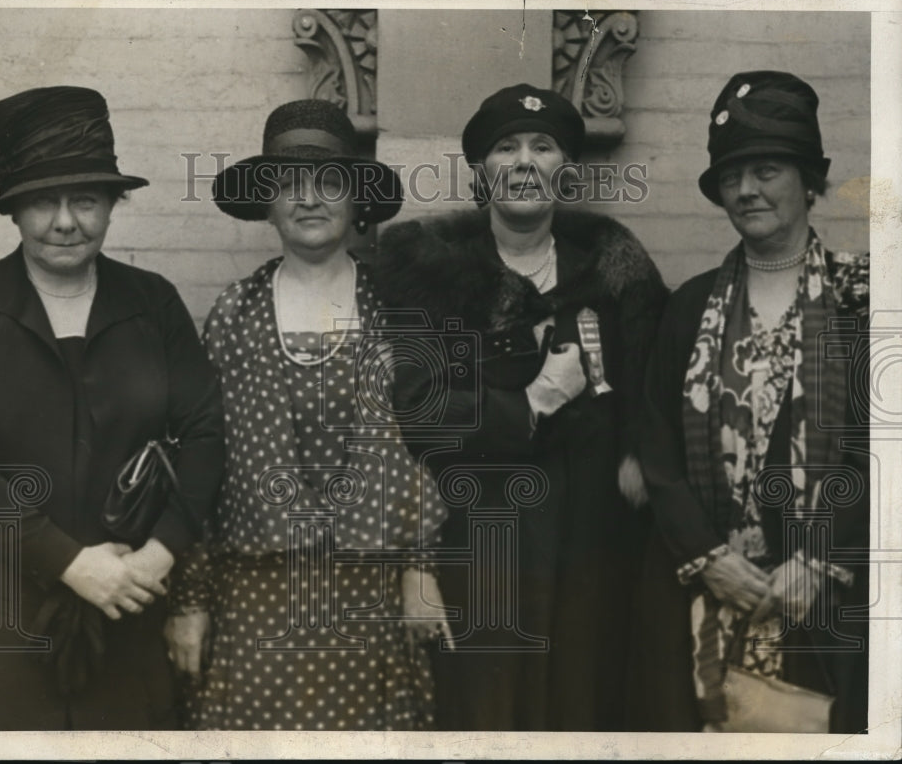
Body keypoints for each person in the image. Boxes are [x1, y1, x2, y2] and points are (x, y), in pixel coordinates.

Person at [371, 84, 669, 731]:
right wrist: (532, 400)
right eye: (505, 148)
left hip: (590, 550)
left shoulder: (618, 277)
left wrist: (638, 452)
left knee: (581, 709)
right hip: (481, 545)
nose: (525, 162)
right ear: (481, 169)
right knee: (485, 713)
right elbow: (417, 412)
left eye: (543, 146)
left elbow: (656, 392)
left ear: (567, 167)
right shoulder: (430, 270)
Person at [0, 86, 225, 731]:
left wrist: (156, 557)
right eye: (43, 200)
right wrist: (69, 561)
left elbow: (206, 437)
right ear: (12, 210)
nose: (66, 221)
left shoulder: (154, 304)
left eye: (86, 199)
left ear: (113, 205)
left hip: (129, 616)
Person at [165, 99, 451, 731]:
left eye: (329, 182)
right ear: (267, 202)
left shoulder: (395, 310)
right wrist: (191, 601)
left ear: (357, 202)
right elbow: (202, 465)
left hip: (369, 587)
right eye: (289, 184)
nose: (309, 199)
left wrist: (419, 572)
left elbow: (427, 447)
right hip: (256, 591)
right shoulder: (234, 316)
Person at [630, 71, 870, 733]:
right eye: (733, 176)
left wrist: (820, 555)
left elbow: (880, 448)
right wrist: (708, 555)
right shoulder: (691, 304)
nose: (746, 191)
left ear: (809, 182)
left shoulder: (863, 302)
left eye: (767, 170)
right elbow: (659, 443)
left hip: (824, 597)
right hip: (707, 591)